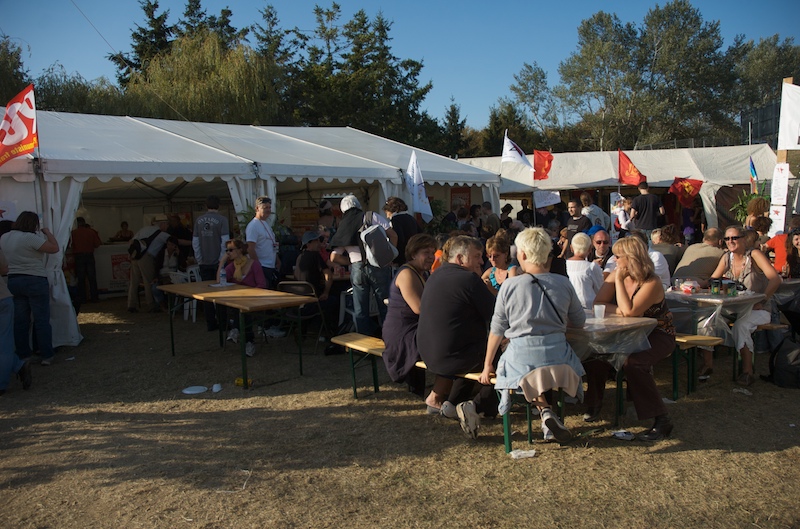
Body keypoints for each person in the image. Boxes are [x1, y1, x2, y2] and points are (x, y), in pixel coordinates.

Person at [479, 227, 586, 443]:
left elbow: (497, 329)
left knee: (520, 362)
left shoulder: (509, 286)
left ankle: (545, 413)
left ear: (523, 254)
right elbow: (580, 322)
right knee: (533, 366)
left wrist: (487, 364)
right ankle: (546, 413)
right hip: (559, 358)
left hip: (522, 359)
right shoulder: (563, 283)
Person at [585, 236, 676, 441]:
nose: (614, 260)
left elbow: (632, 312)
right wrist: (620, 310)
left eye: (618, 256)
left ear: (631, 258)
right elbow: (598, 304)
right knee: (595, 354)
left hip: (658, 333)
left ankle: (661, 419)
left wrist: (617, 282)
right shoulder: (616, 274)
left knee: (634, 363)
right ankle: (594, 403)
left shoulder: (651, 282)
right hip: (625, 332)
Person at [416, 235, 497, 439]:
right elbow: (498, 316)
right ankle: (479, 406)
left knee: (474, 351)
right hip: (453, 356)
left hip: (428, 353)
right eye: (477, 256)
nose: (481, 261)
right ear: (460, 259)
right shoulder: (468, 279)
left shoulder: (435, 274)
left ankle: (451, 404)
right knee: (495, 356)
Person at [705, 225, 782, 386]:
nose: (730, 241)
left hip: (758, 309)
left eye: (734, 238)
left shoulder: (754, 255)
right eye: (727, 239)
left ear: (744, 239)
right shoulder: (727, 257)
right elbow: (713, 280)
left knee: (741, 326)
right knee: (707, 319)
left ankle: (747, 371)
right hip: (734, 308)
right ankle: (707, 366)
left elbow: (775, 279)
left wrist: (762, 301)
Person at [329, 194, 397, 337]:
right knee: (384, 305)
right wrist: (389, 255)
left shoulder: (343, 225)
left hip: (356, 268)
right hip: (378, 265)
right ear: (358, 205)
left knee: (360, 310)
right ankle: (389, 339)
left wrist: (351, 262)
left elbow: (334, 257)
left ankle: (363, 342)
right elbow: (393, 234)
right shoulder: (370, 216)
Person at [0, 211, 60, 366]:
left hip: (13, 280)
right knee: (41, 320)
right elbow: (54, 248)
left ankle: (24, 355)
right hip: (34, 279)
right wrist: (47, 233)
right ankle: (46, 355)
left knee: (21, 321)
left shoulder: (5, 237)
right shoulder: (30, 238)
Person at [382, 233, 437, 399]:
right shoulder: (407, 274)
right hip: (402, 334)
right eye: (426, 252)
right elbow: (419, 308)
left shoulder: (423, 273)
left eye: (432, 252)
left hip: (414, 329)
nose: (431, 257)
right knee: (447, 342)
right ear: (413, 253)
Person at [219, 239, 266, 357]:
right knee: (234, 306)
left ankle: (238, 331)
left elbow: (262, 285)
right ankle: (244, 337)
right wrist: (222, 261)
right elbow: (220, 280)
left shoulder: (254, 264)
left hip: (254, 299)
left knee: (243, 311)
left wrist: (247, 293)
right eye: (226, 250)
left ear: (240, 250)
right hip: (238, 299)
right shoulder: (232, 266)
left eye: (230, 250)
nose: (228, 253)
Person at [0, 247, 32, 393]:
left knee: (4, 342)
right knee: (5, 341)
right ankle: (18, 366)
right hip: (3, 298)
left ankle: (3, 382)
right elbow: (4, 268)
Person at [128, 216, 170, 313]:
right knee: (148, 281)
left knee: (134, 282)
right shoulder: (162, 234)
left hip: (135, 256)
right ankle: (151, 305)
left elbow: (131, 242)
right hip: (147, 257)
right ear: (162, 224)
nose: (167, 226)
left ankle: (131, 305)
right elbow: (174, 241)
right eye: (167, 224)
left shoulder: (144, 229)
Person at [246, 196, 281, 289]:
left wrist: (277, 260)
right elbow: (250, 248)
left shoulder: (266, 224)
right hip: (262, 267)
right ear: (257, 208)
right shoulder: (253, 226)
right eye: (265, 208)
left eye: (269, 207)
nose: (268, 210)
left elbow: (271, 244)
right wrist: (257, 267)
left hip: (270, 266)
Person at [566, 233, 604, 310]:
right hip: (588, 307)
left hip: (568, 307)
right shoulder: (592, 266)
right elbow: (600, 290)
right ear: (590, 249)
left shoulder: (564, 265)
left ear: (571, 248)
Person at [70, 216, 102, 304]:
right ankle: (94, 297)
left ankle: (83, 298)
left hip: (79, 256)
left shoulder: (73, 233)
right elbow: (97, 244)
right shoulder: (91, 232)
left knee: (81, 279)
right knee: (92, 278)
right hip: (89, 255)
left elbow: (70, 245)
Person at [383, 196, 420, 267]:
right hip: (413, 255)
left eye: (387, 212)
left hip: (401, 258)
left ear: (391, 210)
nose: (387, 216)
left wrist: (395, 259)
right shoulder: (411, 218)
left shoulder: (395, 220)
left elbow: (399, 239)